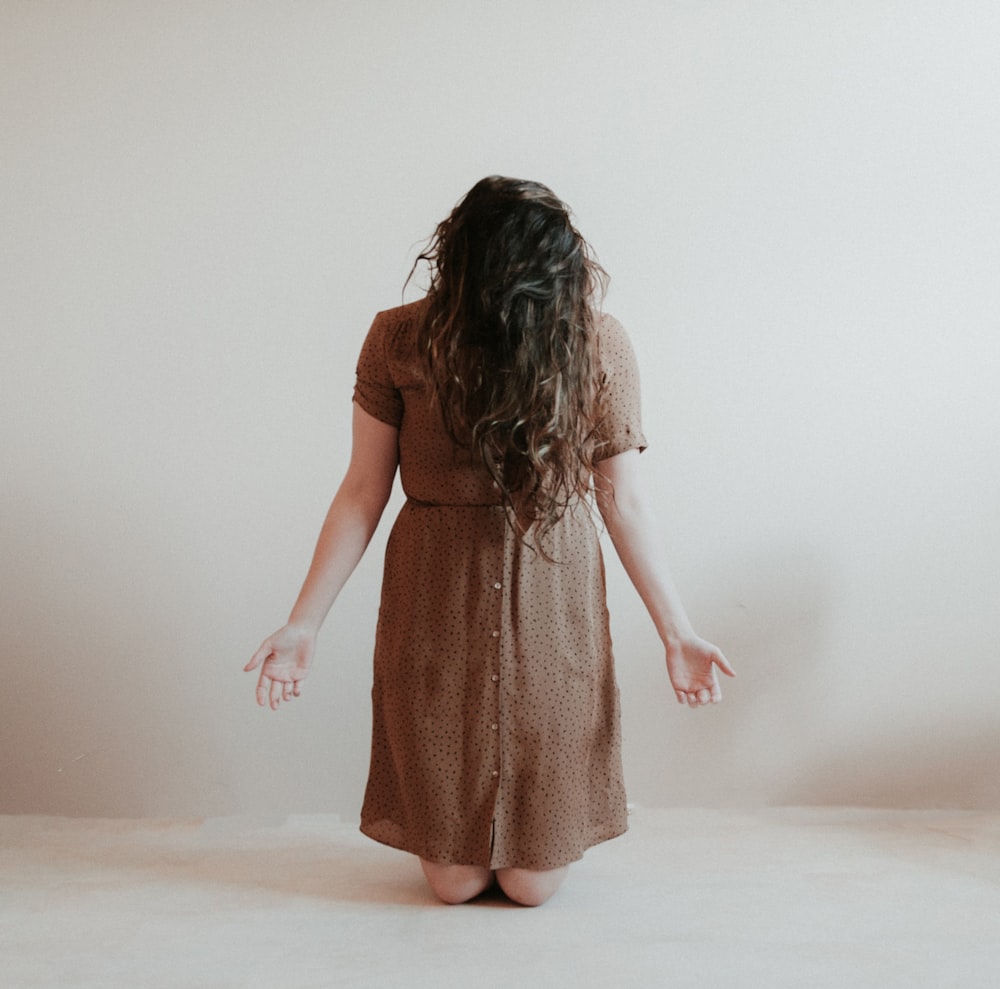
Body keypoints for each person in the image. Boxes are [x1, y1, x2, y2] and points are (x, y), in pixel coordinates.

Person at [245, 176, 734, 907]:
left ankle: (527, 842)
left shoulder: (599, 342)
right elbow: (362, 488)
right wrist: (303, 620)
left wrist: (678, 630)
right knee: (455, 881)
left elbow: (621, 497)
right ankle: (467, 842)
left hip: (554, 589)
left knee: (531, 885)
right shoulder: (398, 338)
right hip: (436, 591)